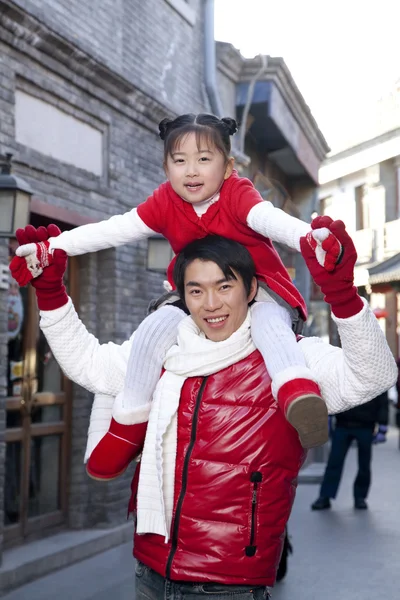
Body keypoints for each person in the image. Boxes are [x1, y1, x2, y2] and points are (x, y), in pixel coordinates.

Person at [9, 218, 397, 597]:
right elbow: (89, 366)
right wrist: (52, 295)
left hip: (229, 584)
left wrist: (343, 297)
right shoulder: (163, 351)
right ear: (181, 295)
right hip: (151, 570)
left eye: (224, 286)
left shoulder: (288, 358)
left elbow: (372, 376)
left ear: (250, 289)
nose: (211, 304)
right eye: (196, 291)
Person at [11, 113, 342, 480]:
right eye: (179, 161)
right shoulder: (165, 202)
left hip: (259, 286)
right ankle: (127, 425)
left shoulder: (237, 193)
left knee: (268, 324)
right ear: (166, 167)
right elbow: (114, 229)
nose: (192, 171)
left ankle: (298, 395)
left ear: (229, 166)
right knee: (154, 328)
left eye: (204, 159)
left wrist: (312, 239)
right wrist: (52, 247)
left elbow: (269, 219)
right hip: (189, 294)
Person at [311, 391, 389, 511]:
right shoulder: (345, 371)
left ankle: (360, 497)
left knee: (364, 465)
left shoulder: (375, 372)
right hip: (343, 424)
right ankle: (325, 496)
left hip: (366, 425)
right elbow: (335, 391)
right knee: (334, 461)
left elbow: (382, 397)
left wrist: (383, 424)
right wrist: (328, 415)